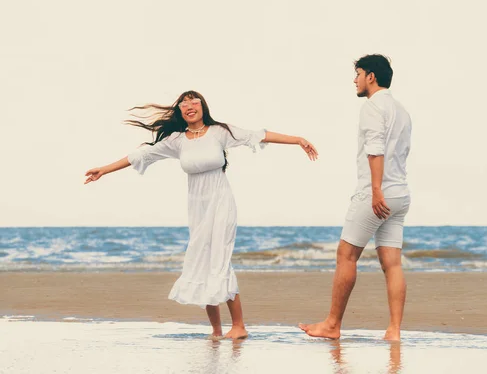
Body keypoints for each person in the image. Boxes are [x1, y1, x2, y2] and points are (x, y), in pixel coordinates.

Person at [85, 90, 318, 339]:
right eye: (184, 103)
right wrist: (105, 170)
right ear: (180, 112)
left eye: (193, 101)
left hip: (221, 201)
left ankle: (238, 326)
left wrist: (298, 139)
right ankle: (217, 330)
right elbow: (140, 155)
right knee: (203, 263)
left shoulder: (221, 132)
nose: (189, 105)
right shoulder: (177, 141)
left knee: (219, 260)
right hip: (197, 208)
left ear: (202, 106)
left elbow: (258, 135)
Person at [299, 54, 411, 341]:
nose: (355, 80)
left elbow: (375, 149)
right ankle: (394, 330)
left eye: (358, 74)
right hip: (400, 193)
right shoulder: (401, 110)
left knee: (346, 256)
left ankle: (332, 324)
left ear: (370, 76)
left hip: (377, 193)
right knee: (393, 263)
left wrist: (375, 191)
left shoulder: (373, 107)